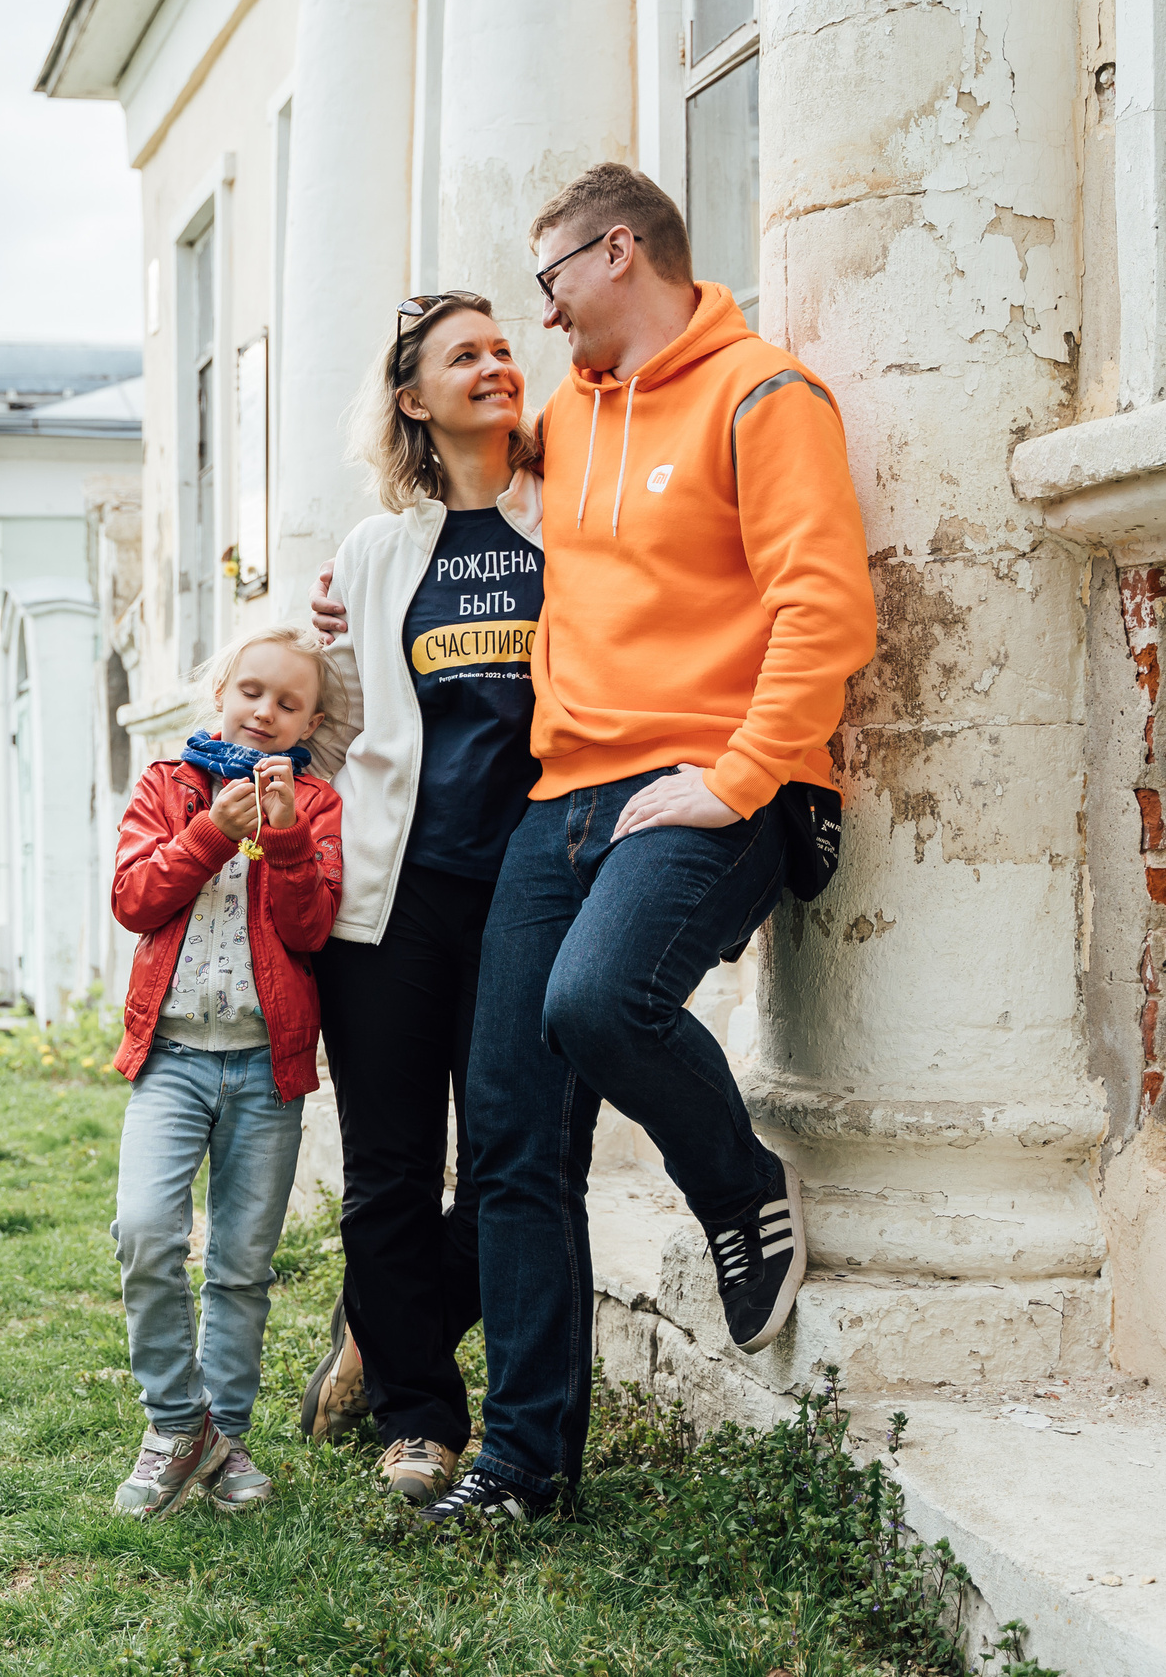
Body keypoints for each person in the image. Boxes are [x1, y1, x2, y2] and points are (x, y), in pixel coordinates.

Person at [312, 164, 876, 1531]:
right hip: (558, 801)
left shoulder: (765, 396)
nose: (540, 318)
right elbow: (462, 486)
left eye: (551, 281)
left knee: (594, 1001)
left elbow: (827, 607)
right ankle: (525, 1464)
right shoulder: (572, 420)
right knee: (509, 1135)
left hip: (717, 785)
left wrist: (735, 774)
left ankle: (741, 1190)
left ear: (617, 252)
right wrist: (356, 583)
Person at [292, 292, 544, 1508]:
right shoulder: (374, 554)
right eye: (465, 355)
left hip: (531, 897)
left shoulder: (573, 520)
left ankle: (387, 1329)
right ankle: (418, 1418)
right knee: (392, 1167)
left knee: (517, 1160)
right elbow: (330, 724)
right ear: (414, 399)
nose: (496, 365)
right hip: (387, 905)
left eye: (504, 347)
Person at [105, 625, 347, 1518]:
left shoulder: (315, 806)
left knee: (242, 1266)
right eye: (251, 691)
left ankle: (227, 1436)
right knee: (144, 1231)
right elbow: (135, 898)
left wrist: (281, 838)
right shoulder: (170, 786)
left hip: (264, 1068)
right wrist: (211, 831)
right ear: (221, 692)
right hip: (171, 1059)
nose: (263, 712)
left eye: (287, 704)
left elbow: (311, 930)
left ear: (308, 722)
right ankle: (178, 1422)